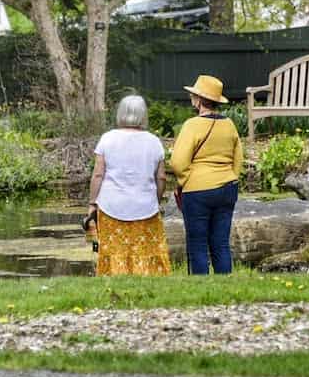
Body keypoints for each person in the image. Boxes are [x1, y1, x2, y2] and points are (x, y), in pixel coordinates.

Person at [88, 95, 170, 276]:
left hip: (111, 206)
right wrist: (154, 199)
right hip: (146, 207)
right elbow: (161, 177)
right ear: (143, 115)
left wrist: (92, 203)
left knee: (114, 249)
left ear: (120, 114)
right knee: (145, 249)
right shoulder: (153, 141)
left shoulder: (107, 139)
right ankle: (149, 277)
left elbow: (98, 174)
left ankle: (115, 278)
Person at [171, 75, 243, 275]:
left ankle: (201, 287)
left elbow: (178, 162)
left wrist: (187, 180)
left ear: (199, 100)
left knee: (198, 244)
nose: (191, 98)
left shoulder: (192, 125)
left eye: (193, 95)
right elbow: (238, 158)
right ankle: (224, 285)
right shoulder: (229, 125)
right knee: (220, 243)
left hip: (198, 191)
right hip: (227, 187)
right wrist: (231, 177)